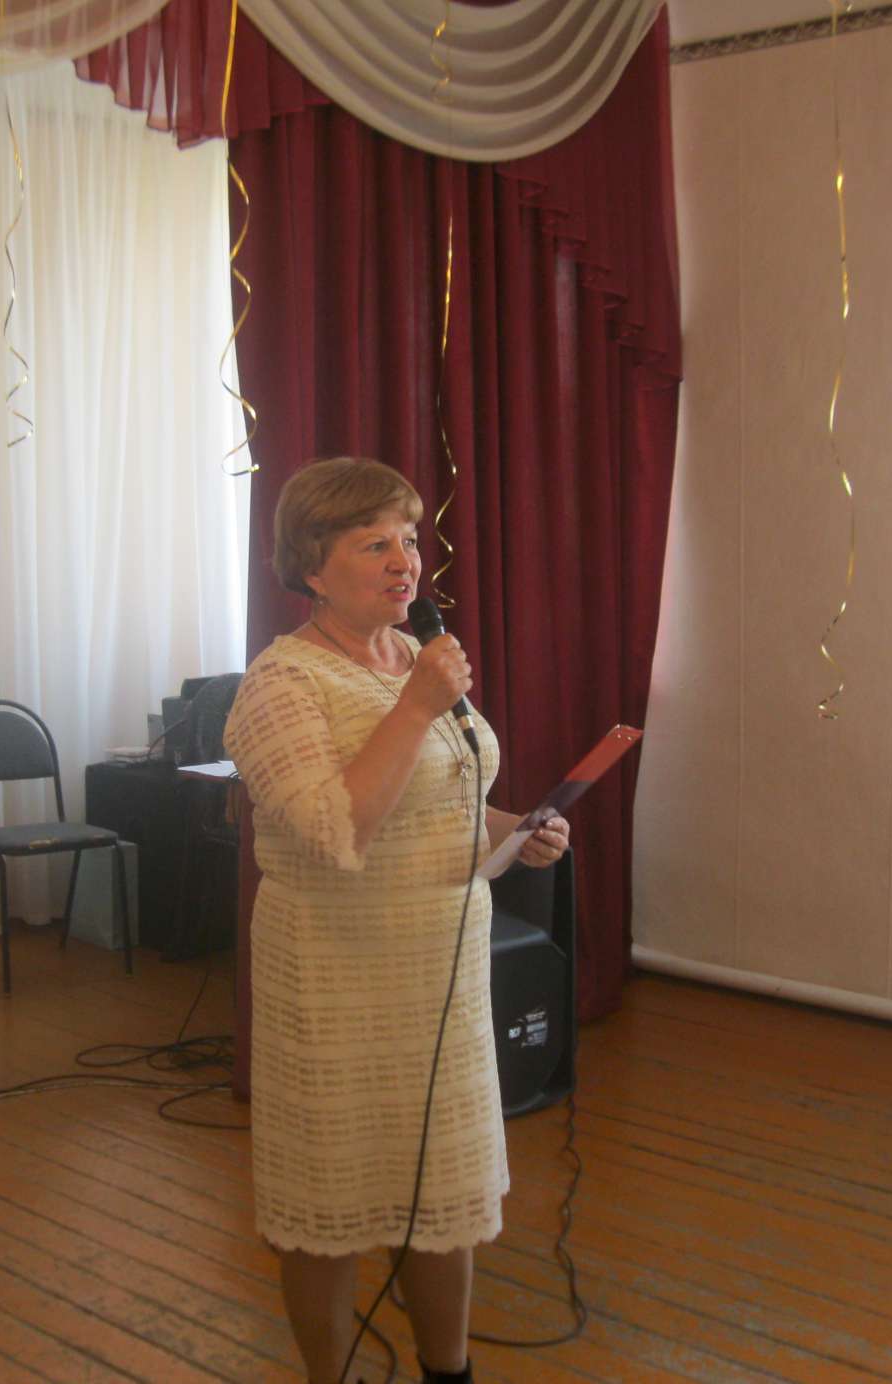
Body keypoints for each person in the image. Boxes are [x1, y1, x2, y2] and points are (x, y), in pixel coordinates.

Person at [223, 457, 572, 1384]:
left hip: (440, 970)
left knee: (443, 1186)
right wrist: (418, 707)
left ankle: (447, 1371)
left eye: (409, 539)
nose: (403, 560)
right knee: (328, 1198)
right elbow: (337, 831)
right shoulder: (280, 685)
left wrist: (516, 830)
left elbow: (448, 804)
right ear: (310, 564)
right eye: (372, 542)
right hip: (334, 974)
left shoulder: (418, 663)